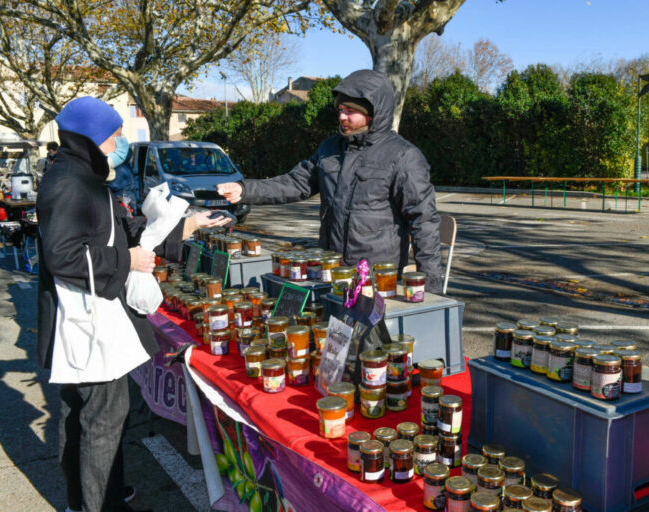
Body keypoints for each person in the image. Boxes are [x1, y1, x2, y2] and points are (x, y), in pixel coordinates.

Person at [36, 96, 227, 512]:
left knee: (84, 417)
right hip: (86, 323)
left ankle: (93, 496)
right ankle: (97, 504)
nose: (120, 142)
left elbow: (118, 228)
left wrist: (186, 224)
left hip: (90, 315)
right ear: (91, 136)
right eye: (115, 134)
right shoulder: (69, 182)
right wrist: (129, 262)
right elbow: (64, 256)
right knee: (103, 420)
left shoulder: (80, 173)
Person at [217, 69, 443, 292]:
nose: (342, 116)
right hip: (331, 270)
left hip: (377, 279)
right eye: (341, 109)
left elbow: (424, 222)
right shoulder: (330, 148)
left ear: (374, 112)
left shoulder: (404, 156)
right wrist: (245, 189)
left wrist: (430, 288)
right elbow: (296, 183)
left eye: (351, 111)